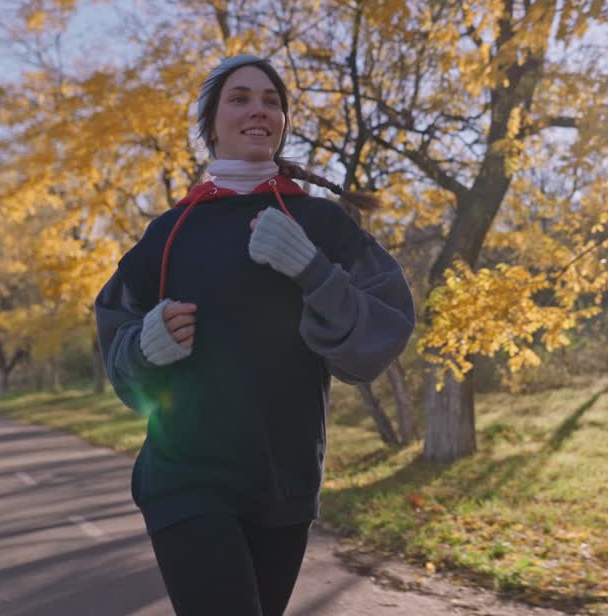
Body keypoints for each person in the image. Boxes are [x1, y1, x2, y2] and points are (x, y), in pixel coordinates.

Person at [94, 54, 416, 616]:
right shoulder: (169, 233)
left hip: (285, 482)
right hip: (184, 474)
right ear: (210, 125)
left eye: (272, 101)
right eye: (239, 98)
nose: (258, 110)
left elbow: (383, 332)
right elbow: (114, 336)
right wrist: (146, 346)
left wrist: (314, 272)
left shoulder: (321, 224)